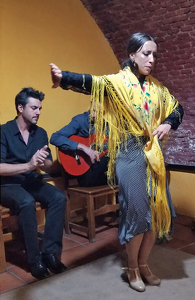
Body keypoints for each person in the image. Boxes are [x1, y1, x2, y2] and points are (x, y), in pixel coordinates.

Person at [49, 32, 184, 292]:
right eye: (146, 53)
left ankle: (144, 264)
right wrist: (63, 78)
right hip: (129, 155)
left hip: (153, 156)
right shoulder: (117, 83)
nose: (152, 59)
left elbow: (178, 109)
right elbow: (91, 82)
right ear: (132, 55)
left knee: (155, 215)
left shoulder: (157, 88)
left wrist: (168, 123)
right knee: (136, 216)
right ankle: (132, 268)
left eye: (155, 54)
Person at [0, 87, 67, 280]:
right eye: (34, 108)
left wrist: (60, 162)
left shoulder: (41, 133)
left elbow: (46, 166)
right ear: (20, 108)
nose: (38, 112)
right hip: (7, 185)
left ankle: (50, 254)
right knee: (26, 202)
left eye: (40, 108)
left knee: (58, 198)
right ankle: (34, 260)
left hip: (31, 181)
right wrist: (29, 164)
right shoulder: (3, 132)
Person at [50, 109, 109, 187]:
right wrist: (83, 147)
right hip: (86, 176)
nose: (94, 115)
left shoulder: (109, 125)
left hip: (104, 172)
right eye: (93, 110)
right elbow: (55, 138)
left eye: (100, 113)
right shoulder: (81, 120)